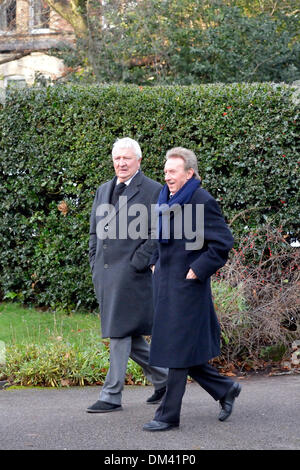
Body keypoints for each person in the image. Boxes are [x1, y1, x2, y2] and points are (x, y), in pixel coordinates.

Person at [143, 147, 241, 432]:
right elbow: (159, 236)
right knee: (183, 349)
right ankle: (225, 389)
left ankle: (167, 415)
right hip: (165, 284)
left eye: (173, 171)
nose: (167, 176)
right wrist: (153, 262)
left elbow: (222, 243)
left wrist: (197, 270)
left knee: (176, 349)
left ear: (189, 173)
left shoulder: (202, 200)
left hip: (188, 287)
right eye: (165, 171)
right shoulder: (166, 197)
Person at [87, 137, 168, 413]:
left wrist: (138, 263)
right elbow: (94, 231)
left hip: (132, 275)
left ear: (138, 161)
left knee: (119, 333)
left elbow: (160, 232)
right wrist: (94, 262)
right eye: (117, 158)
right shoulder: (103, 190)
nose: (121, 163)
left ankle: (111, 395)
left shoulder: (154, 191)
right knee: (128, 334)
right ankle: (165, 378)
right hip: (105, 274)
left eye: (126, 158)